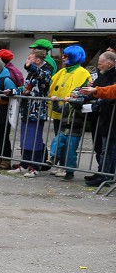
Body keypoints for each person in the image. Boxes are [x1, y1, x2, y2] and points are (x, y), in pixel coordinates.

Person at [48, 45, 92, 180]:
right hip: (61, 112)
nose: (63, 57)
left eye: (66, 56)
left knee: (70, 145)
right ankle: (58, 162)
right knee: (59, 139)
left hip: (74, 115)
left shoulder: (83, 72)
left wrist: (71, 100)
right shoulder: (63, 71)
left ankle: (65, 167)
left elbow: (82, 92)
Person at [13, 50, 52, 177]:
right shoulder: (31, 72)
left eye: (30, 58)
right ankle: (24, 163)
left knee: (34, 138)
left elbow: (43, 78)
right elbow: (26, 87)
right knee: (25, 137)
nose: (27, 60)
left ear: (38, 60)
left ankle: (35, 166)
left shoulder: (46, 69)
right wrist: (14, 91)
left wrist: (30, 66)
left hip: (37, 109)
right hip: (27, 107)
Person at [83, 51, 116, 186]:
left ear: (109, 63)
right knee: (103, 147)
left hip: (112, 117)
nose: (98, 66)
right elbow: (95, 89)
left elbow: (111, 91)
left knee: (109, 148)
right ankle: (102, 172)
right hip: (104, 116)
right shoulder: (102, 76)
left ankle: (106, 176)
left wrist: (96, 92)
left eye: (100, 63)